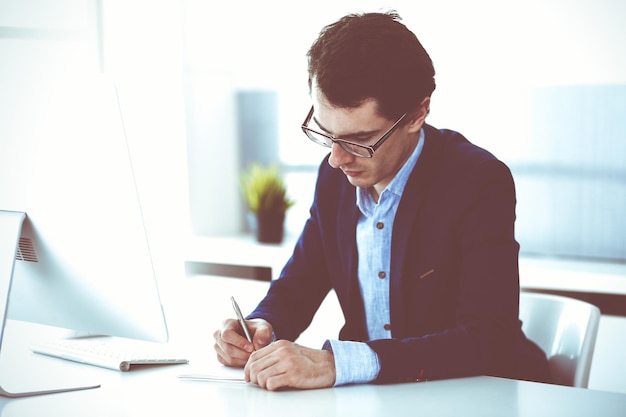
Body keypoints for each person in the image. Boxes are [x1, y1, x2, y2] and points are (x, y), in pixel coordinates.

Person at [213, 10, 549, 391]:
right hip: (381, 400)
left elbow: (488, 337)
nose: (337, 159)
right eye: (325, 133)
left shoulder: (478, 181)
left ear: (417, 114)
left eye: (359, 141)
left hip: (481, 394)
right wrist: (260, 327)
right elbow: (299, 283)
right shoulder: (335, 177)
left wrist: (340, 363)